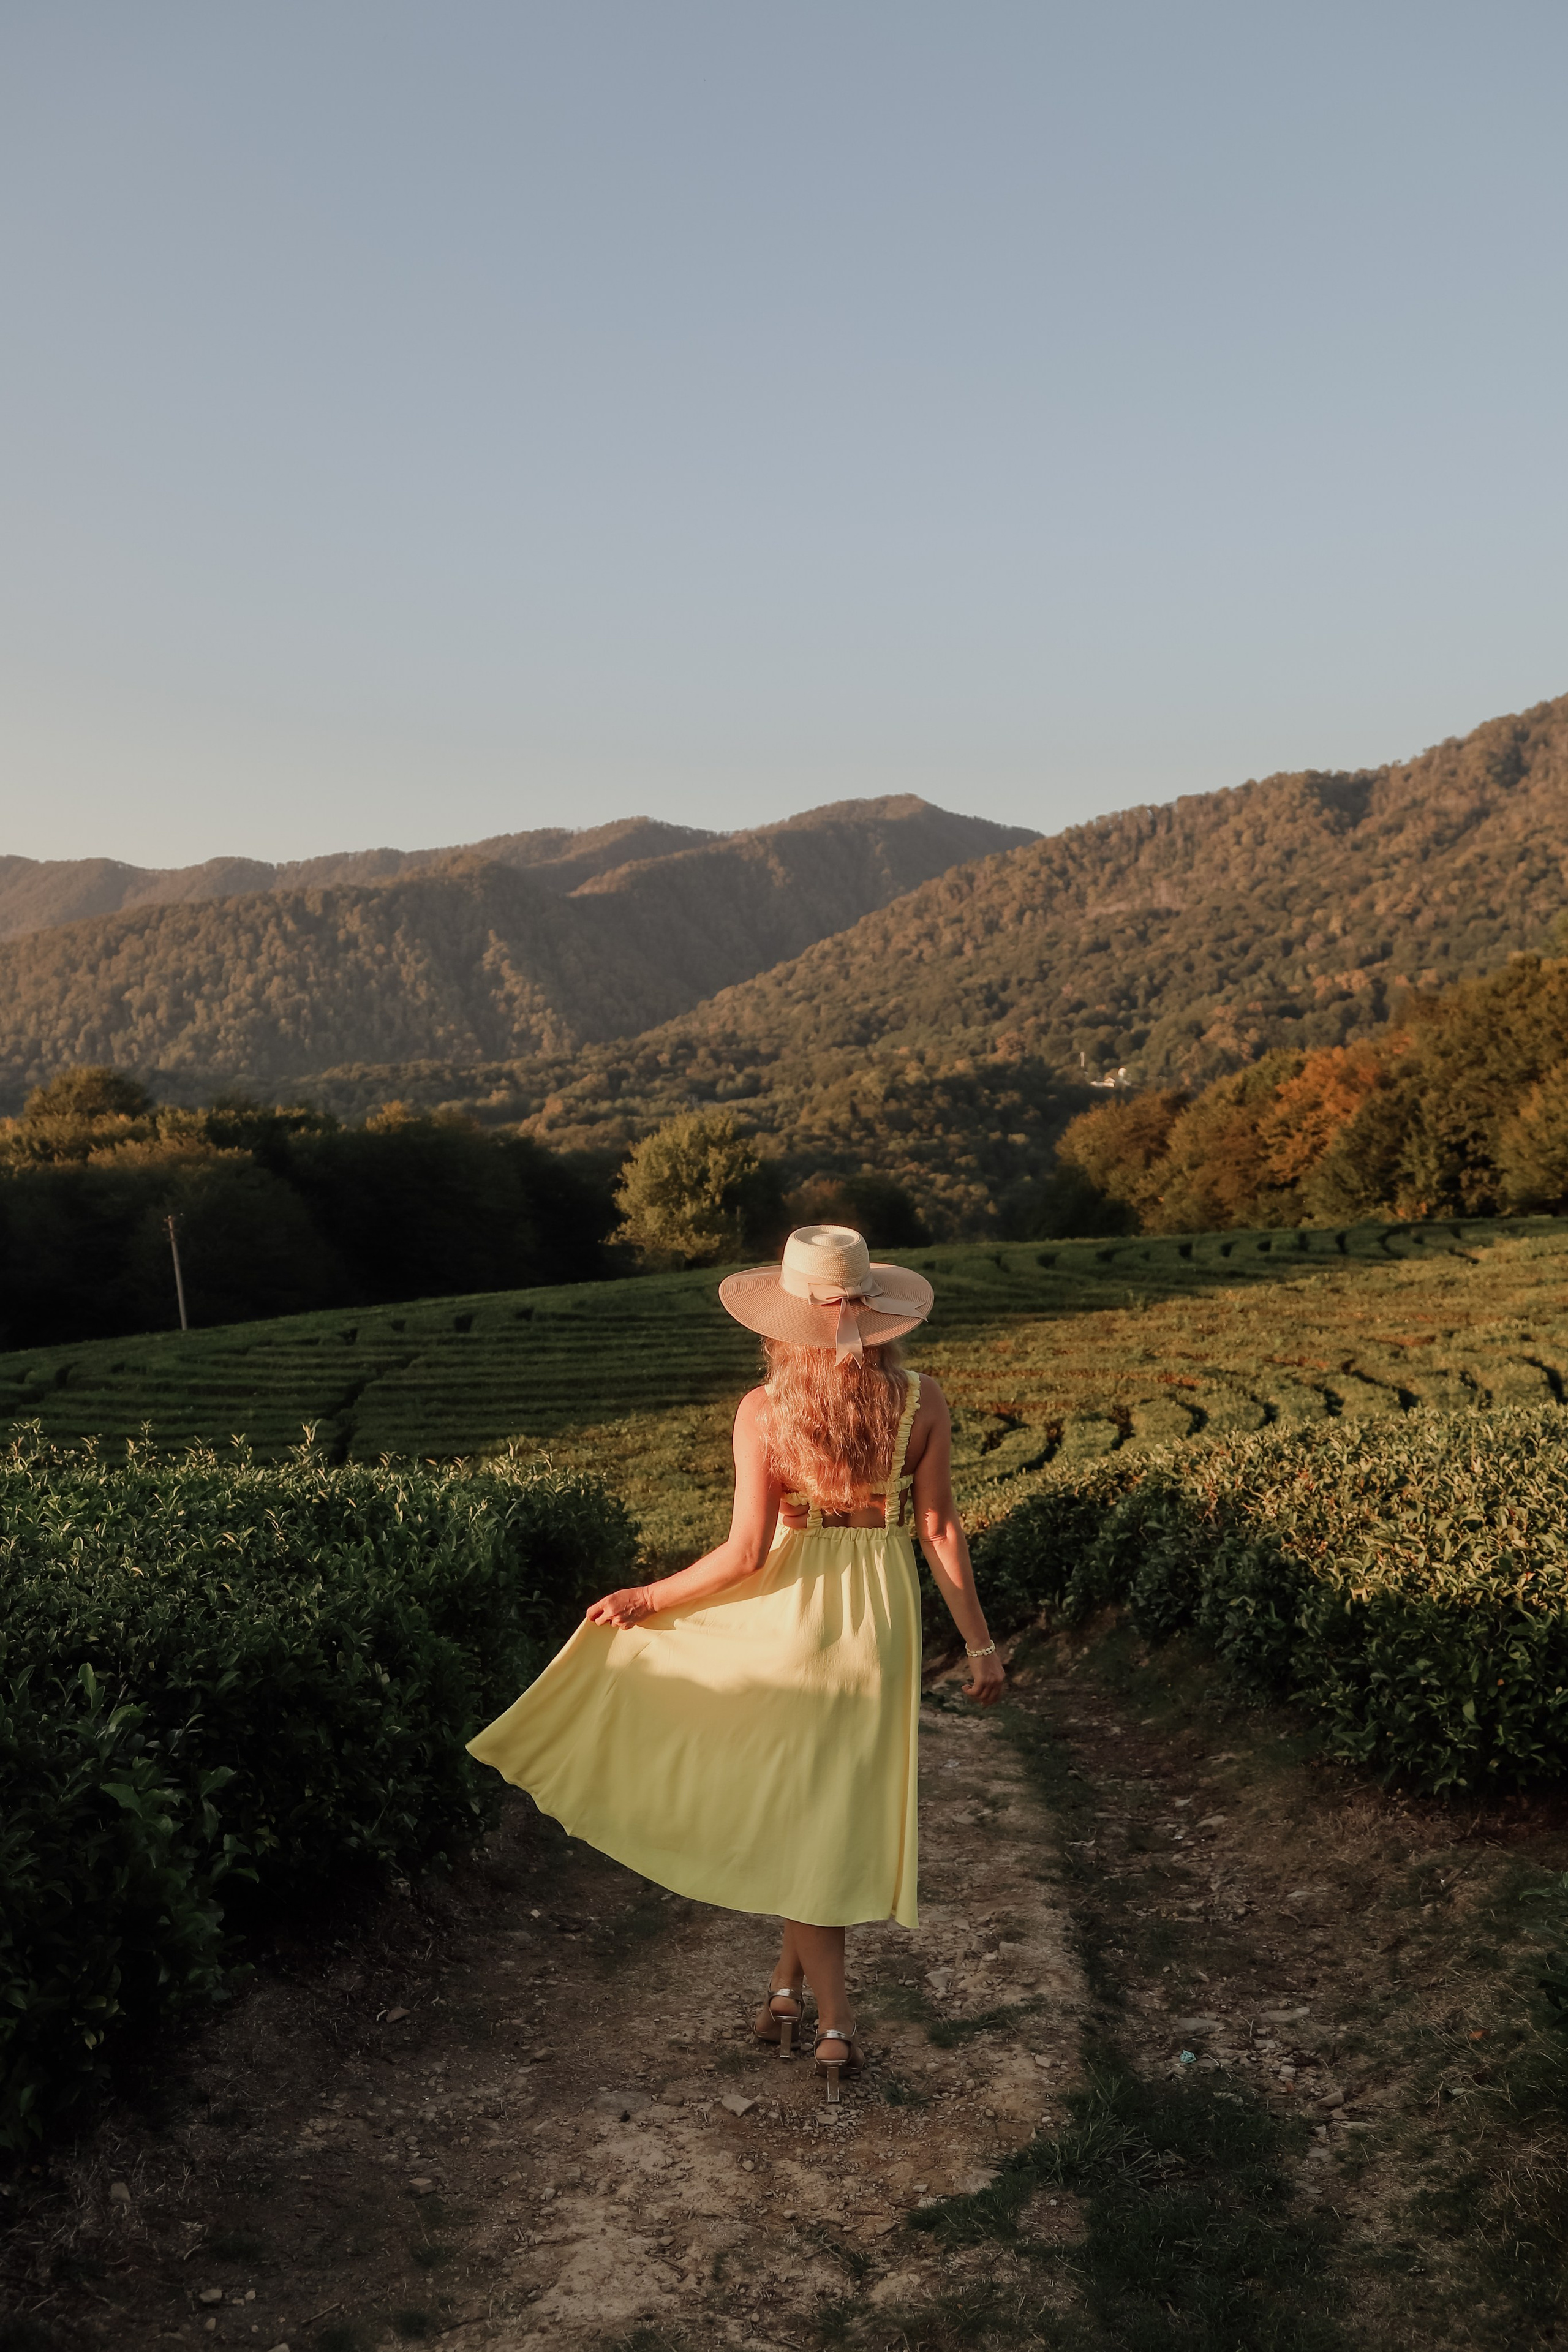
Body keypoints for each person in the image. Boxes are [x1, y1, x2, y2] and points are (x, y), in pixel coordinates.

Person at [466, 1223, 1005, 2099]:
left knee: (807, 1811)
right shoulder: (923, 1400)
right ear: (874, 1313)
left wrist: (648, 1598)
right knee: (828, 1811)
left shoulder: (764, 1412)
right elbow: (939, 1528)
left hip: (790, 1618)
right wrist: (980, 1644)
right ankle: (803, 2008)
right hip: (880, 1618)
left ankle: (819, 2017)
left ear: (785, 1320)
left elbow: (746, 1556)